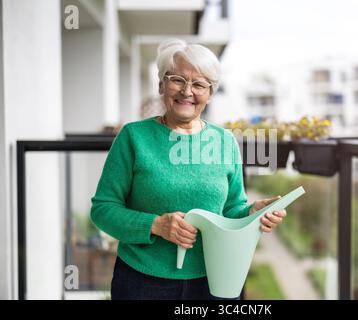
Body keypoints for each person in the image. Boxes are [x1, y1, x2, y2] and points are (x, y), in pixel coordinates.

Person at [90, 38, 287, 300]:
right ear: (162, 84)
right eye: (178, 80)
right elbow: (103, 209)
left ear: (211, 92)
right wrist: (156, 225)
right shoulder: (133, 137)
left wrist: (252, 214)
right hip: (143, 283)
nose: (187, 91)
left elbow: (230, 211)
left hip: (216, 280)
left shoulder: (225, 141)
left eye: (199, 84)